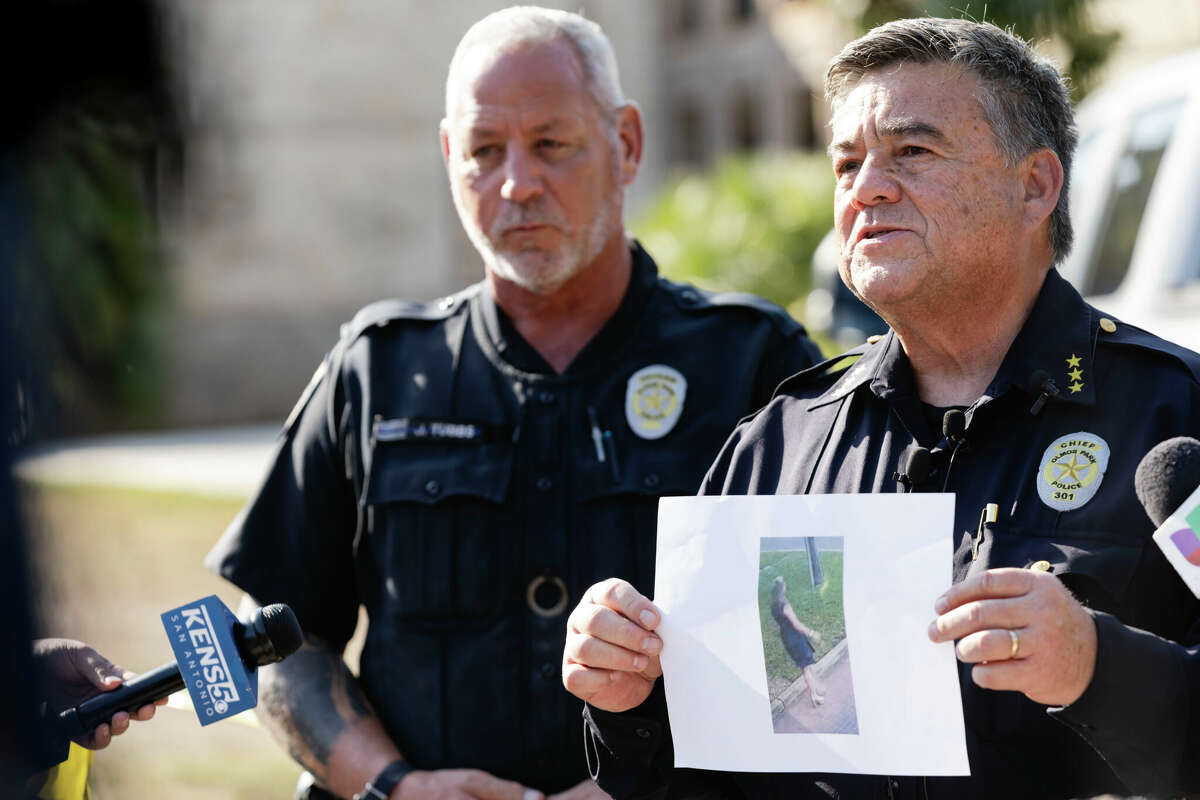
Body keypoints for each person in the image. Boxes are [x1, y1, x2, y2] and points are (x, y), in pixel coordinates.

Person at [563, 17, 1200, 800]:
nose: (867, 188)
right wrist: (627, 698)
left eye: (912, 152)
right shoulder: (782, 441)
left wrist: (1096, 668)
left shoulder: (1173, 418)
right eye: (847, 164)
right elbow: (694, 774)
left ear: (1035, 186)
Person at [205, 7, 821, 800]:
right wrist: (395, 786)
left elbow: (815, 635)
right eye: (483, 151)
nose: (517, 183)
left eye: (551, 145)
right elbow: (281, 640)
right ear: (448, 157)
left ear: (626, 143)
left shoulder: (750, 363)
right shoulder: (378, 369)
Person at [769, 577, 823, 707]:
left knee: (807, 666)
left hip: (786, 638)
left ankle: (817, 689)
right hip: (795, 637)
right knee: (806, 669)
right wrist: (811, 633)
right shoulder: (785, 606)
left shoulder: (774, 606)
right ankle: (814, 696)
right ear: (782, 589)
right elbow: (796, 624)